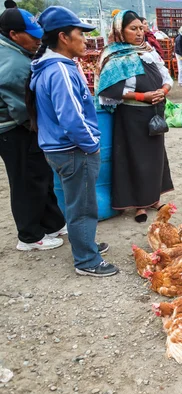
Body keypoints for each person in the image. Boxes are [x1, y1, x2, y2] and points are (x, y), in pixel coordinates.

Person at [28, 6, 117, 276]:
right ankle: (87, 261)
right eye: (81, 33)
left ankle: (85, 243)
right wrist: (92, 145)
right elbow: (72, 118)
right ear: (64, 37)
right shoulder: (61, 71)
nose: (85, 39)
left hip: (57, 149)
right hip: (73, 150)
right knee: (83, 206)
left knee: (72, 201)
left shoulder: (46, 67)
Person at [96, 10, 174, 223]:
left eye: (141, 28)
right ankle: (139, 204)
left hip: (154, 112)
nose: (139, 33)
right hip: (131, 116)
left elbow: (167, 77)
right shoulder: (113, 57)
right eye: (133, 29)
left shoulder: (149, 52)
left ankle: (154, 198)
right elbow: (108, 91)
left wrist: (163, 91)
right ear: (120, 31)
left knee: (155, 157)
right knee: (135, 159)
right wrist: (142, 95)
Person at [0, 7, 66, 251]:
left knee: (41, 176)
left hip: (24, 128)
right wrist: (42, 128)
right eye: (32, 36)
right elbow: (21, 108)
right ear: (14, 34)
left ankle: (53, 223)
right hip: (15, 130)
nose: (38, 40)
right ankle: (29, 236)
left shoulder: (13, 50)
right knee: (26, 181)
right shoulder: (14, 63)